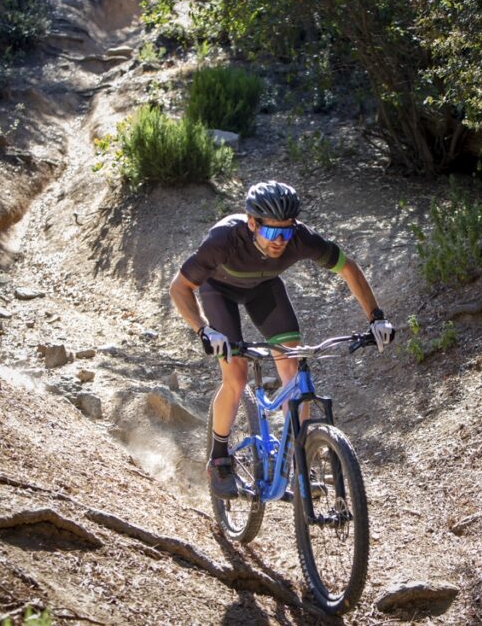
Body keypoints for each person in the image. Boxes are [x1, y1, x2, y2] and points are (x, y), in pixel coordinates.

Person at [169, 180, 395, 499]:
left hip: (264, 290)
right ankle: (219, 457)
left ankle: (296, 463)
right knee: (236, 374)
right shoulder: (223, 241)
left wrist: (376, 317)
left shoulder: (300, 239)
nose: (281, 242)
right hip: (218, 291)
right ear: (252, 223)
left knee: (296, 372)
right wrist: (204, 329)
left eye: (286, 232)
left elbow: (349, 269)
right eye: (273, 233)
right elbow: (179, 288)